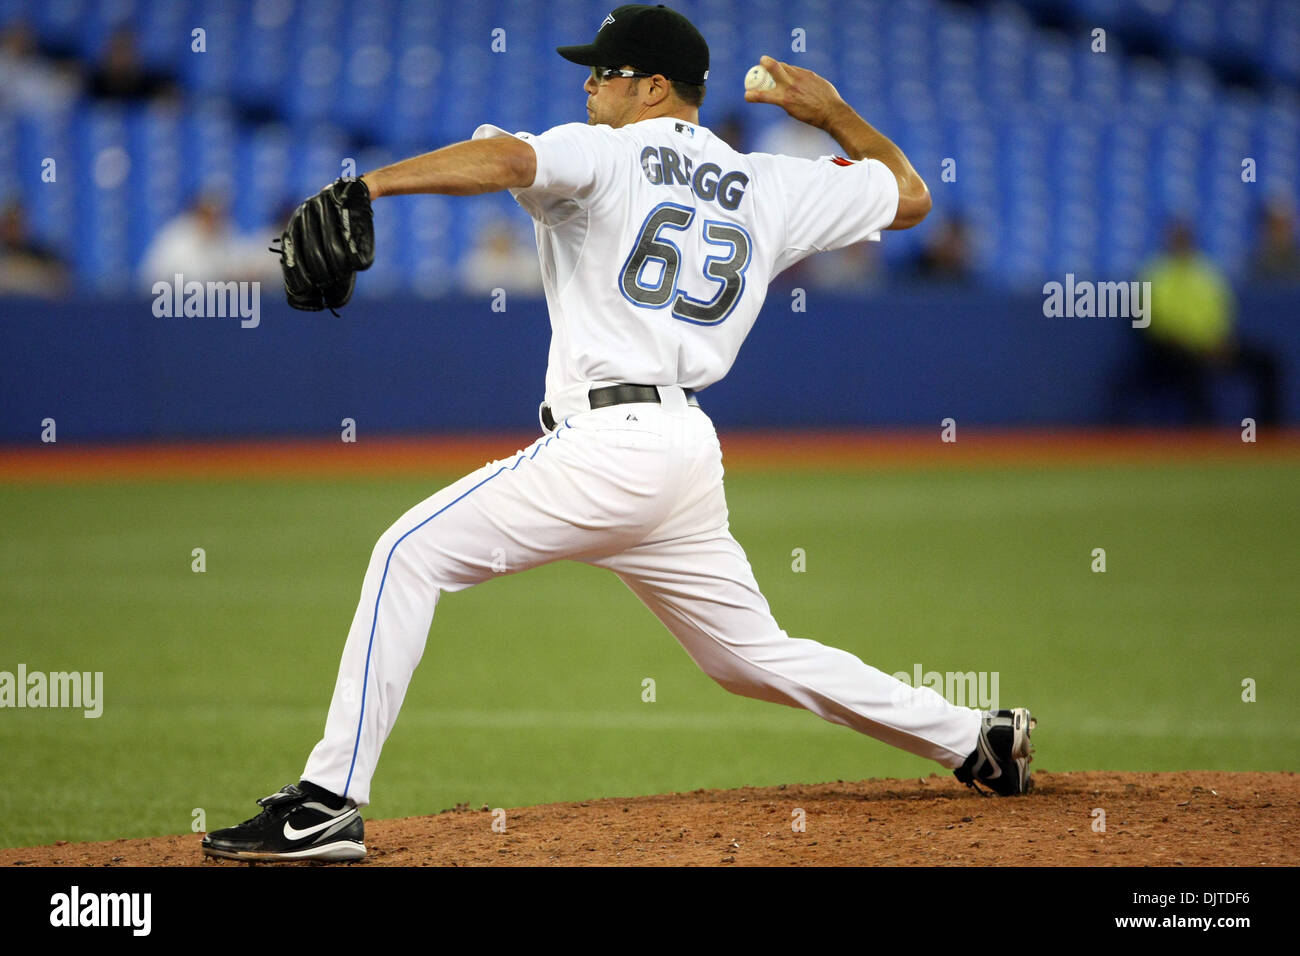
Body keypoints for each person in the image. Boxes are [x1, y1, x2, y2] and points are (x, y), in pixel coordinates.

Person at [202, 4, 1034, 864]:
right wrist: (831, 115)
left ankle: (326, 803)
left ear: (655, 87)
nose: (590, 83)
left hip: (607, 444)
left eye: (606, 71)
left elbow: (508, 159)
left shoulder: (602, 150)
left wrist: (366, 186)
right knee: (748, 658)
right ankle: (977, 737)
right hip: (684, 453)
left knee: (405, 554)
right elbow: (909, 196)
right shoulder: (770, 182)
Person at [1134, 220, 1280, 425]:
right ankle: (1203, 430)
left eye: (1185, 238)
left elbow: (1220, 312)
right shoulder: (1156, 273)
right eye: (1178, 238)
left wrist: (1219, 342)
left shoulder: (1206, 272)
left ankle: (1269, 429)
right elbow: (1158, 321)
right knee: (1189, 367)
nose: (1182, 243)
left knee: (1266, 361)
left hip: (1213, 344)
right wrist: (1196, 344)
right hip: (1173, 348)